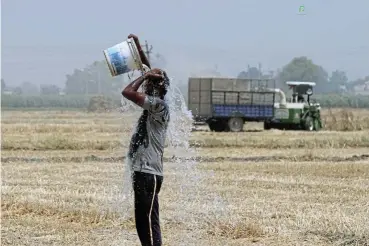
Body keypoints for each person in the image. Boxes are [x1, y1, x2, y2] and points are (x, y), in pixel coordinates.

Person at [122, 34, 170, 246]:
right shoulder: (157, 102)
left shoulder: (158, 105)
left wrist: (143, 77)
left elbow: (127, 92)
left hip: (148, 173)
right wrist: (138, 48)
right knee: (151, 219)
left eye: (150, 83)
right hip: (147, 171)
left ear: (157, 88)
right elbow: (146, 70)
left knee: (143, 220)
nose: (146, 86)